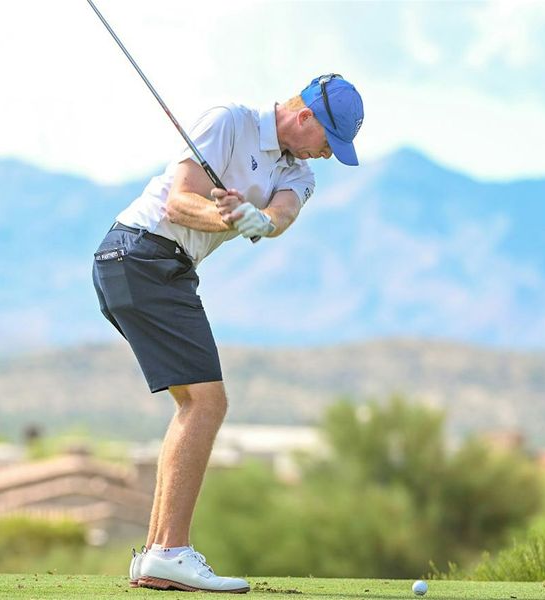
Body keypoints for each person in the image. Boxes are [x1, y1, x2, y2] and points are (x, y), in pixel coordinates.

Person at [92, 74, 364, 594]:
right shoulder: (228, 121)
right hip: (139, 253)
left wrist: (257, 220)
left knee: (195, 402)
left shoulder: (301, 172)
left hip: (159, 267)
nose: (328, 154)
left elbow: (281, 213)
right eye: (328, 141)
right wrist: (231, 219)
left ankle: (155, 554)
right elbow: (178, 203)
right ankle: (169, 551)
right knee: (207, 404)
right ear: (304, 116)